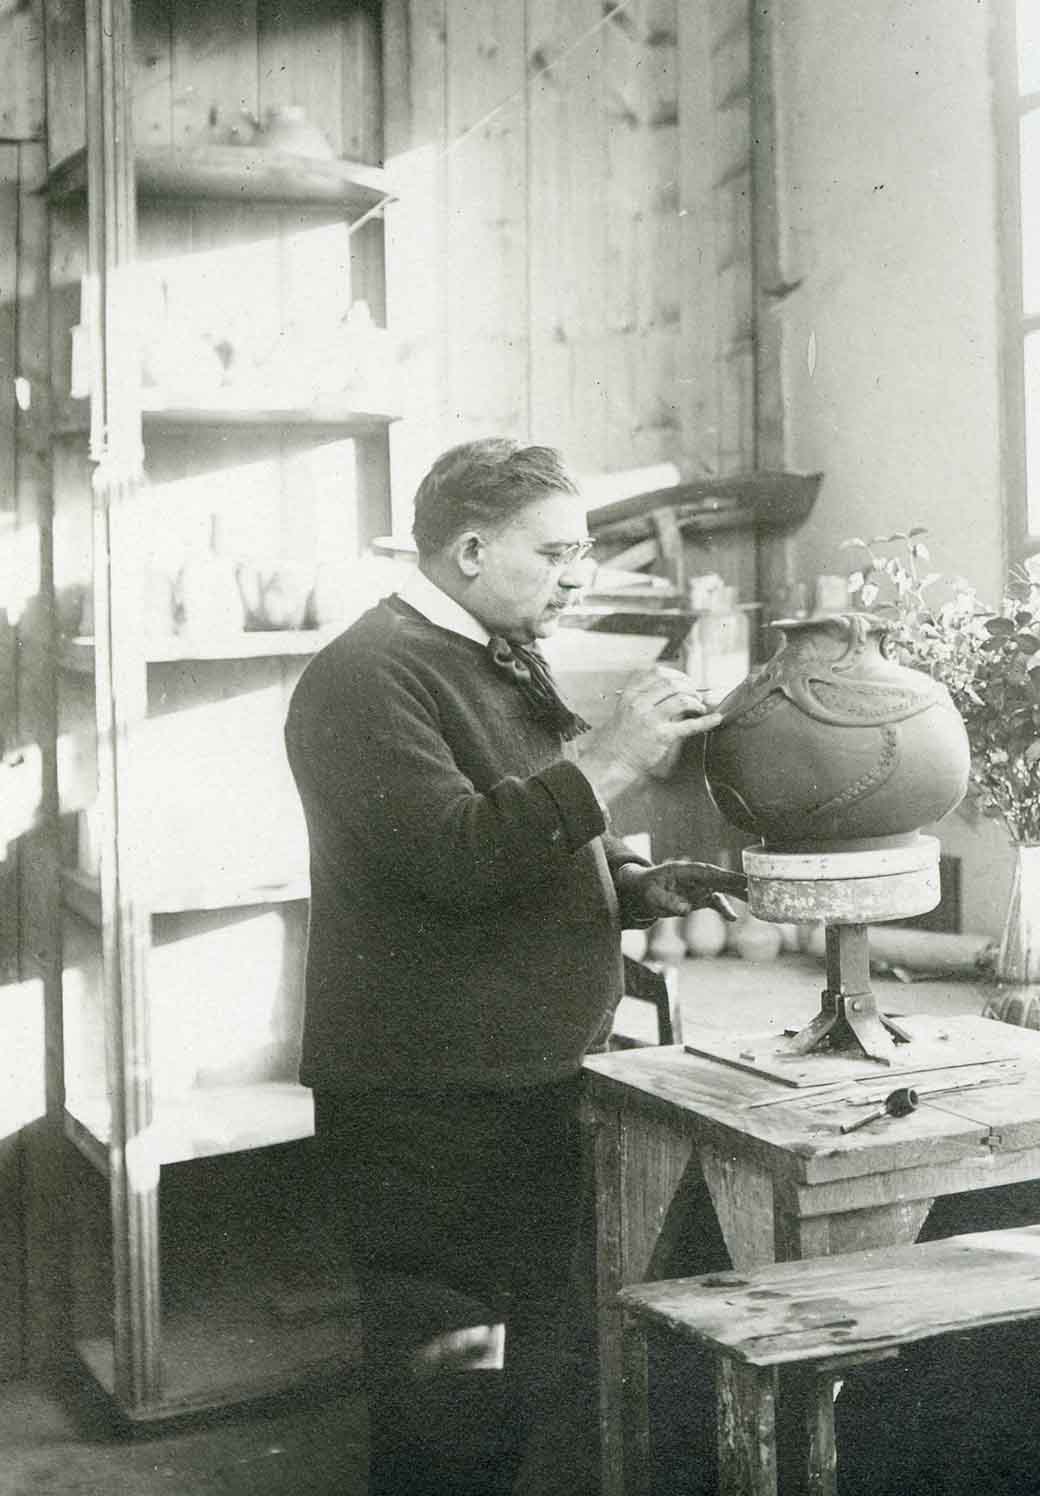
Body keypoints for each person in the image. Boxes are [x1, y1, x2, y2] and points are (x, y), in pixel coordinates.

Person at [285, 437, 750, 1495]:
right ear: (471, 547)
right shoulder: (366, 675)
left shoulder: (492, 644)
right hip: (430, 1107)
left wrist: (631, 884)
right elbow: (456, 857)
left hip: (527, 1082)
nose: (576, 574)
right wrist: (620, 754)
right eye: (557, 553)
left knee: (522, 1383)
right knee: (448, 1395)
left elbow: (531, 823)